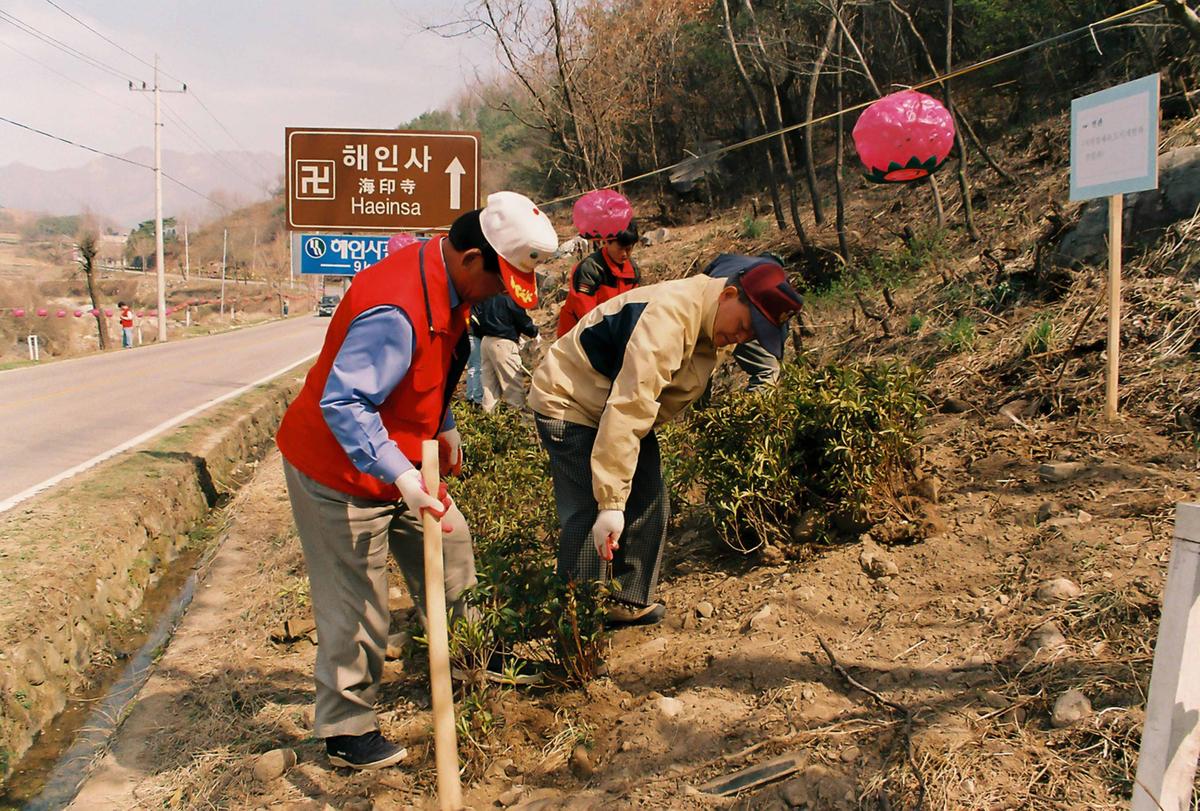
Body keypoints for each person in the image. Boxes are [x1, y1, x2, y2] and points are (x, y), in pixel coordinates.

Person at [275, 191, 557, 771]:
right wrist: (402, 473)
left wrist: (443, 421)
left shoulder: (450, 285)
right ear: (473, 259)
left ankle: (476, 656)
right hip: (337, 465)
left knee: (452, 543)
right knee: (357, 601)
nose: (503, 293)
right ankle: (347, 729)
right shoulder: (396, 306)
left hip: (400, 457)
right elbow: (346, 401)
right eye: (500, 280)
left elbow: (427, 368)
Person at [529, 255, 804, 626]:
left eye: (750, 335)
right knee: (589, 509)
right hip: (571, 400)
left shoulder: (714, 321)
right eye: (743, 326)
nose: (740, 338)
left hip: (614, 403)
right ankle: (577, 626)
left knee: (649, 495)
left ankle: (627, 600)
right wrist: (611, 501)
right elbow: (628, 408)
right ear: (729, 295)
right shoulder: (668, 319)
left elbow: (634, 408)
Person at [555, 219, 641, 338]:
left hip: (612, 332)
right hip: (578, 334)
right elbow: (586, 314)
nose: (625, 254)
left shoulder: (633, 270)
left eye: (629, 249)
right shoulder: (590, 269)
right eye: (620, 249)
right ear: (607, 242)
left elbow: (632, 307)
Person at [473, 293, 539, 412]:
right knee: (512, 385)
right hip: (503, 342)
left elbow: (477, 315)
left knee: (489, 385)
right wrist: (534, 331)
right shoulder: (510, 298)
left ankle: (488, 419)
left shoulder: (486, 295)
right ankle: (517, 420)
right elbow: (521, 319)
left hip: (486, 341)